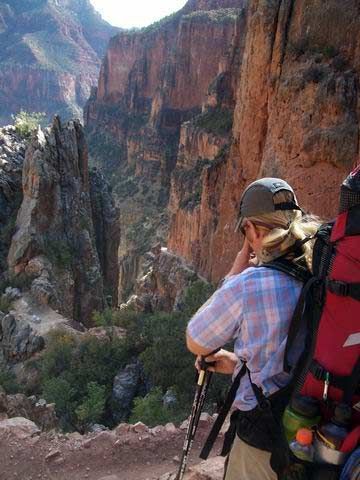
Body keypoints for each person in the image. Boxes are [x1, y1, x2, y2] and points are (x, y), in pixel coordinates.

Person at [186, 178, 322, 480]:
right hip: (316, 431)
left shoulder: (252, 284)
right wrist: (237, 364)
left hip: (264, 438)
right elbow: (300, 355)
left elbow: (196, 339)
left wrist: (236, 271)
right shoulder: (321, 273)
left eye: (244, 230)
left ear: (255, 230)